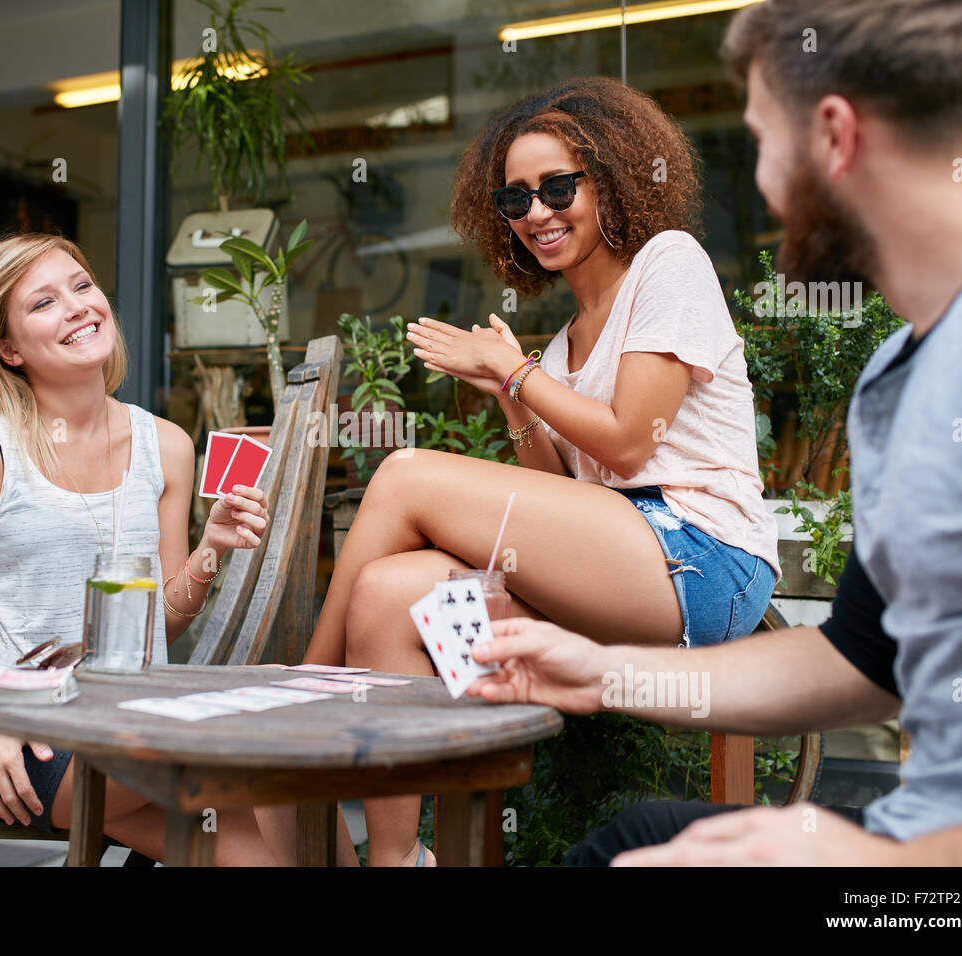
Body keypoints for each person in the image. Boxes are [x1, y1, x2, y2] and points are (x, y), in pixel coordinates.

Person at [467, 0, 962, 866]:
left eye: (763, 140)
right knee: (623, 848)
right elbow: (860, 664)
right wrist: (599, 671)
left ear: (834, 135)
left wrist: (888, 868)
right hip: (924, 839)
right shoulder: (901, 374)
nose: (759, 182)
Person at [282, 75, 780, 867]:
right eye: (516, 200)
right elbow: (566, 495)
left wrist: (517, 377)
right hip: (625, 560)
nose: (538, 213)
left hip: (705, 561)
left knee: (407, 472)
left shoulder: (668, 265)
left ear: (610, 180)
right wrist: (514, 398)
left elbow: (627, 446)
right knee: (389, 595)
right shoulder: (560, 344)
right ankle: (396, 860)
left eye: (557, 187)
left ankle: (299, 698)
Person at [0, 233, 279, 864]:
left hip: (136, 722)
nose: (79, 307)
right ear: (6, 349)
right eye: (44, 303)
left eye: (82, 286)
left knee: (264, 847)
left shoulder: (165, 445)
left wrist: (211, 548)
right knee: (263, 779)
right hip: (19, 735)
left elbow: (163, 618)